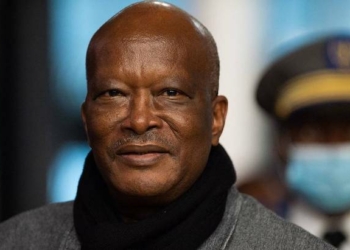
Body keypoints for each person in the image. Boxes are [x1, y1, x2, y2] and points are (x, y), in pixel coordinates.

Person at [0, 1, 335, 249]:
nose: (140, 120)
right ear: (87, 119)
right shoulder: (17, 241)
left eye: (170, 93)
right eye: (114, 94)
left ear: (216, 118)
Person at [242, 35, 350, 249]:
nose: (334, 145)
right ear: (281, 144)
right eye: (312, 131)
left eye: (349, 130)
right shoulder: (242, 237)